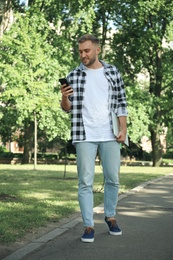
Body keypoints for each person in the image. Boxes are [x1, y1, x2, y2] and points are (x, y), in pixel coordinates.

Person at [60, 34, 128, 243]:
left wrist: (123, 129)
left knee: (112, 179)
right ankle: (88, 225)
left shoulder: (112, 72)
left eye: (87, 51)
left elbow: (121, 103)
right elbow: (66, 109)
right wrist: (63, 96)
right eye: (80, 51)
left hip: (109, 134)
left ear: (98, 50)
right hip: (84, 135)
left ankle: (110, 216)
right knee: (85, 182)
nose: (83, 55)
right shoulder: (74, 75)